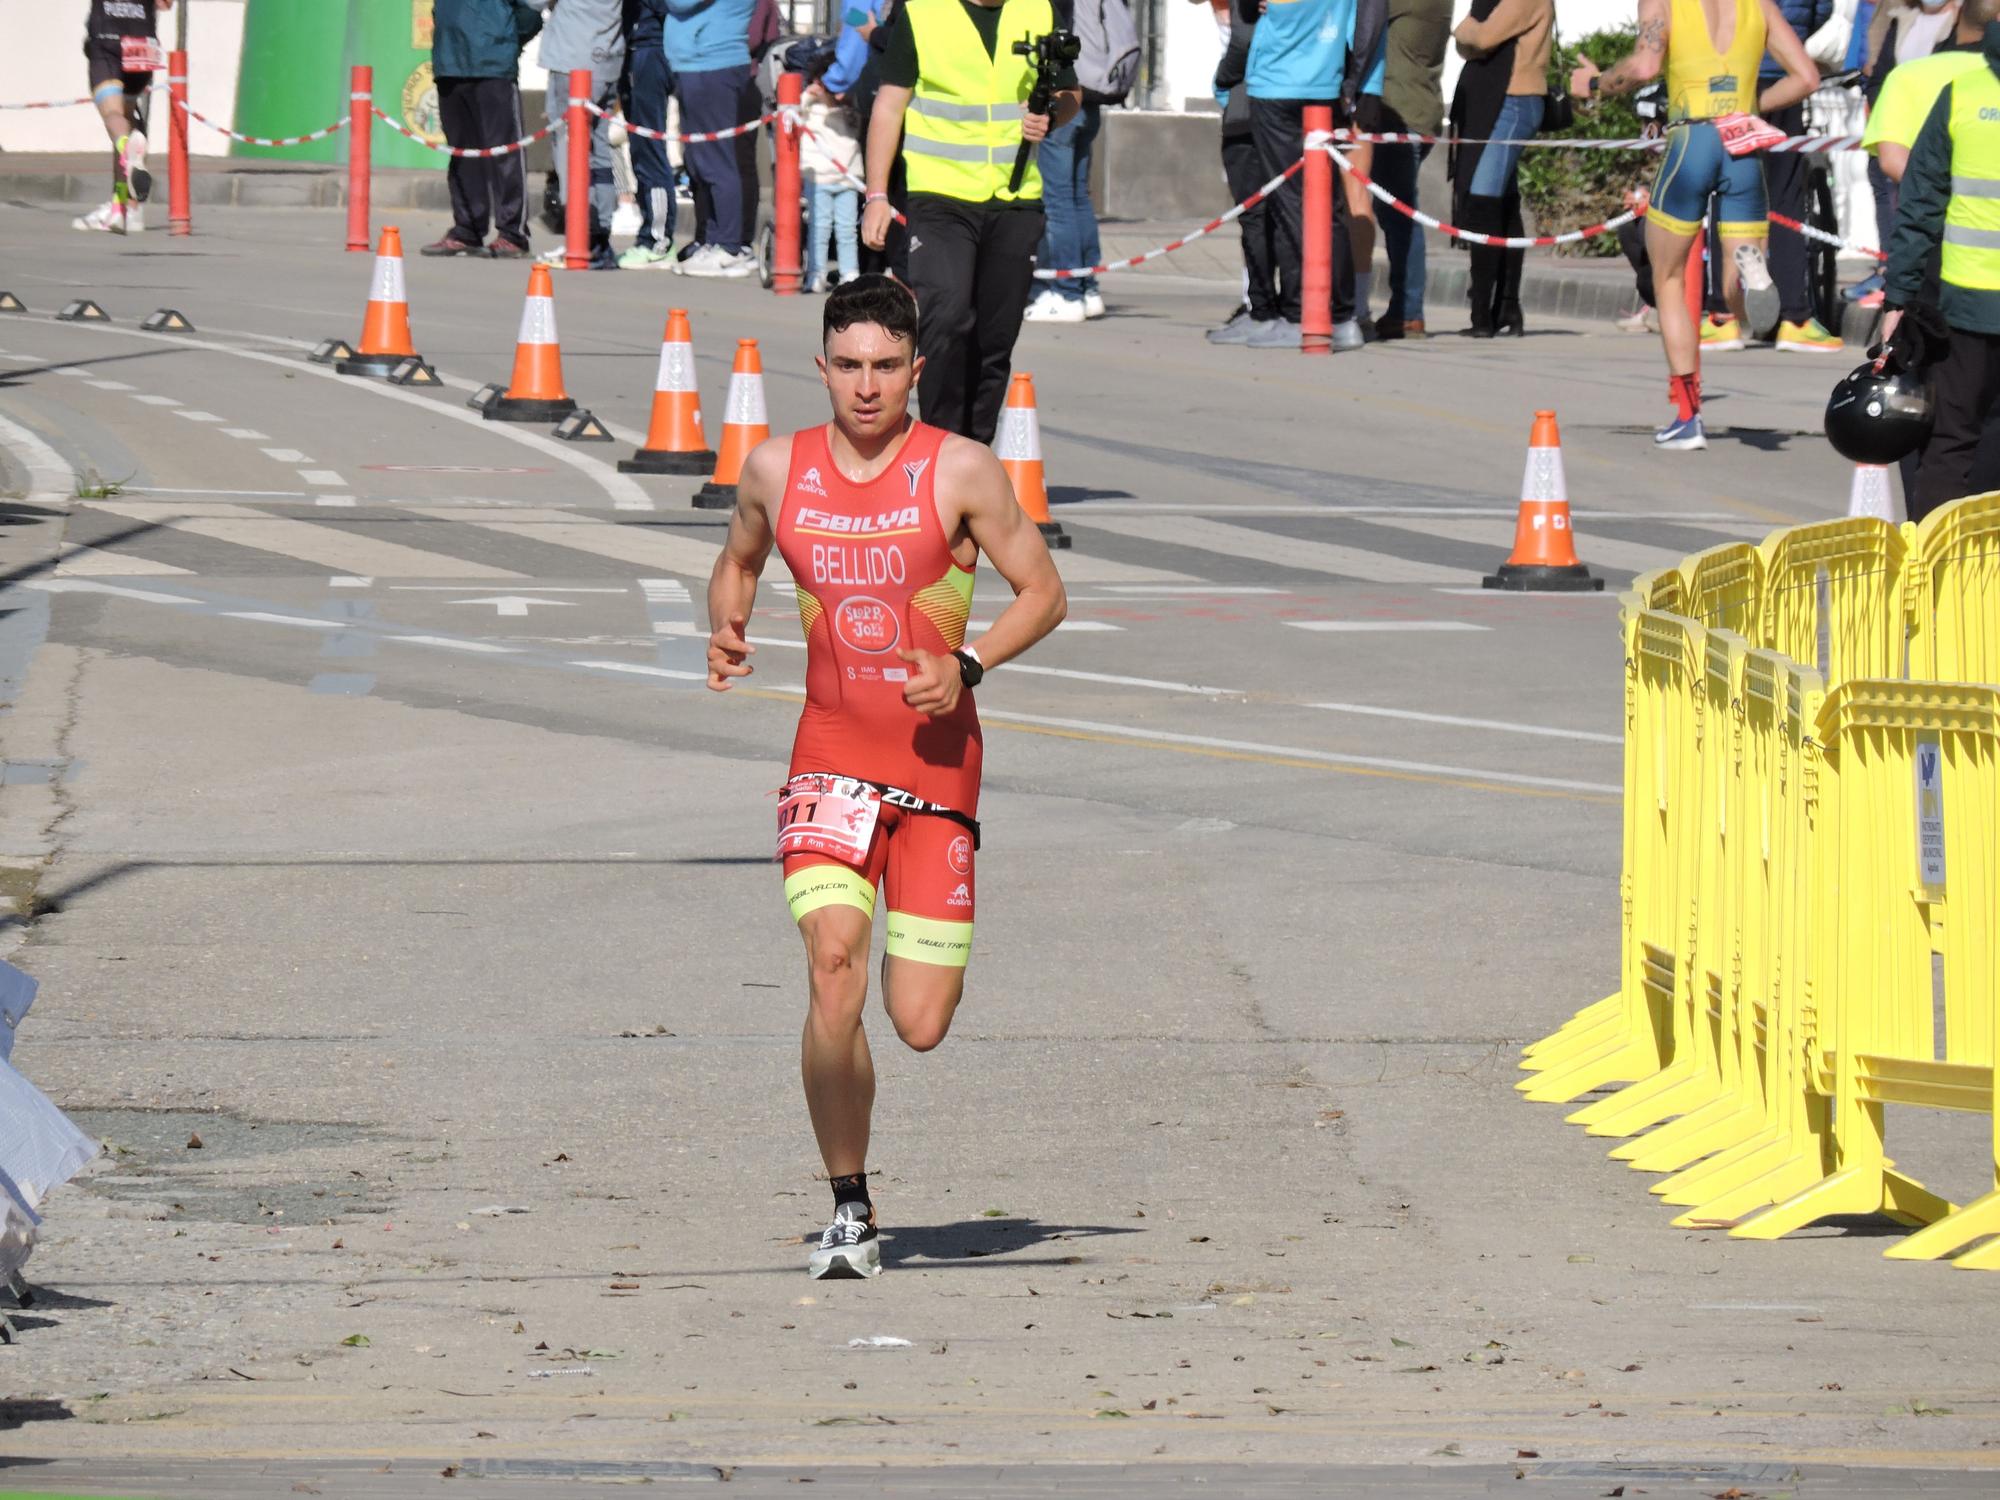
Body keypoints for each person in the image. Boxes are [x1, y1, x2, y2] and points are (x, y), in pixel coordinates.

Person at [703, 275, 1068, 1280]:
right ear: (821, 368)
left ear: (915, 370)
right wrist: (725, 625)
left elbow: (1043, 592)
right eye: (848, 366)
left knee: (916, 1022)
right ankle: (850, 1205)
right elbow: (736, 560)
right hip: (827, 758)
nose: (865, 387)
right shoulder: (777, 470)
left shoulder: (962, 472)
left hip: (938, 771)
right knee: (831, 963)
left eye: (885, 368)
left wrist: (968, 665)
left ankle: (859, 1176)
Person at [1571, 0, 1819, 449]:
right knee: (1733, 297)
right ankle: (1749, 275)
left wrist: (1594, 83)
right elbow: (1806, 77)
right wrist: (1750, 103)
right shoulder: (1758, 5)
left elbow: (1645, 65)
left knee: (1667, 278)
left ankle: (1688, 418)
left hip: (1692, 140)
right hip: (1741, 142)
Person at [861, 0, 1081, 442]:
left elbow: (1071, 93)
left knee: (994, 339)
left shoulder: (1037, 10)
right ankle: (941, 448)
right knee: (946, 319)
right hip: (940, 198)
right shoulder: (922, 13)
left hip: (1016, 199)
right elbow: (889, 107)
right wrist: (877, 196)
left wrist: (1052, 116)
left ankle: (974, 454)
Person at [1881, 17, 2000, 518]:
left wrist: (1898, 300)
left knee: (1950, 442)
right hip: (1965, 306)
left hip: (1964, 304)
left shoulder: (1963, 94)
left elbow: (1919, 207)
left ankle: (1935, 580)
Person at [1245, 0, 1385, 351]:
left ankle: (1300, 315)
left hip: (1277, 83)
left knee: (1289, 207)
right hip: (1325, 84)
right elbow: (1370, 24)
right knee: (1330, 207)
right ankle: (1342, 316)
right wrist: (1370, 87)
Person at [1025, 0, 1134, 322]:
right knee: (1077, 197)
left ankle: (1066, 291)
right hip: (1092, 97)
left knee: (1057, 200)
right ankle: (1088, 288)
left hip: (1066, 97)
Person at [1450, 0, 1554, 336]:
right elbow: (1467, 45)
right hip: (1498, 101)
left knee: (1483, 200)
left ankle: (1484, 314)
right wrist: (1470, 32)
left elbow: (1481, 37)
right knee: (1504, 204)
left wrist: (1465, 28)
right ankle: (1506, 307)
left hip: (1515, 101)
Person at [425, 0, 544, 258]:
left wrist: (503, 42)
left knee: (505, 153)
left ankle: (513, 233)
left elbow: (531, 14)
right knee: (462, 155)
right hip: (450, 64)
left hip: (493, 67)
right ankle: (467, 228)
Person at [1366, 0, 1450, 339]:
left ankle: (1408, 310)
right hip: (1417, 109)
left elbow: (1359, 16)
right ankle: (1405, 307)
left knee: (1399, 216)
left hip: (1399, 113)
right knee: (1394, 213)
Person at [1206, 0, 1284, 342]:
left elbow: (1242, 39)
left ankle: (1264, 307)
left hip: (1250, 107)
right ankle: (1279, 305)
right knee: (1283, 212)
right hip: (1291, 108)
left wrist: (1222, 81)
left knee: (1257, 215)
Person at [665, 0, 761, 276]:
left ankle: (730, 247)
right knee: (697, 161)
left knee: (716, 161)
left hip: (713, 62)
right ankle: (714, 239)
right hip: (697, 63)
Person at [540, 0, 626, 269]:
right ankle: (601, 236)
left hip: (573, 58)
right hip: (608, 56)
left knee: (570, 150)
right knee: (600, 150)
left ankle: (580, 237)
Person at [75, 0, 172, 236]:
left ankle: (127, 148)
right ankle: (127, 208)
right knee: (129, 116)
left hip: (107, 37)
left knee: (113, 114)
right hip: (142, 44)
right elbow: (165, 3)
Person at [619, 0, 678, 266]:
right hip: (633, 46)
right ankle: (649, 234)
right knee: (639, 150)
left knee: (649, 147)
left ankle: (658, 239)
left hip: (651, 49)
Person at [801, 56, 866, 291]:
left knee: (847, 229)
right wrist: (809, 94)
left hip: (847, 179)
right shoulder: (810, 108)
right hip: (818, 178)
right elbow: (790, 111)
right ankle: (815, 272)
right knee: (819, 227)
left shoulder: (849, 109)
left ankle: (850, 272)